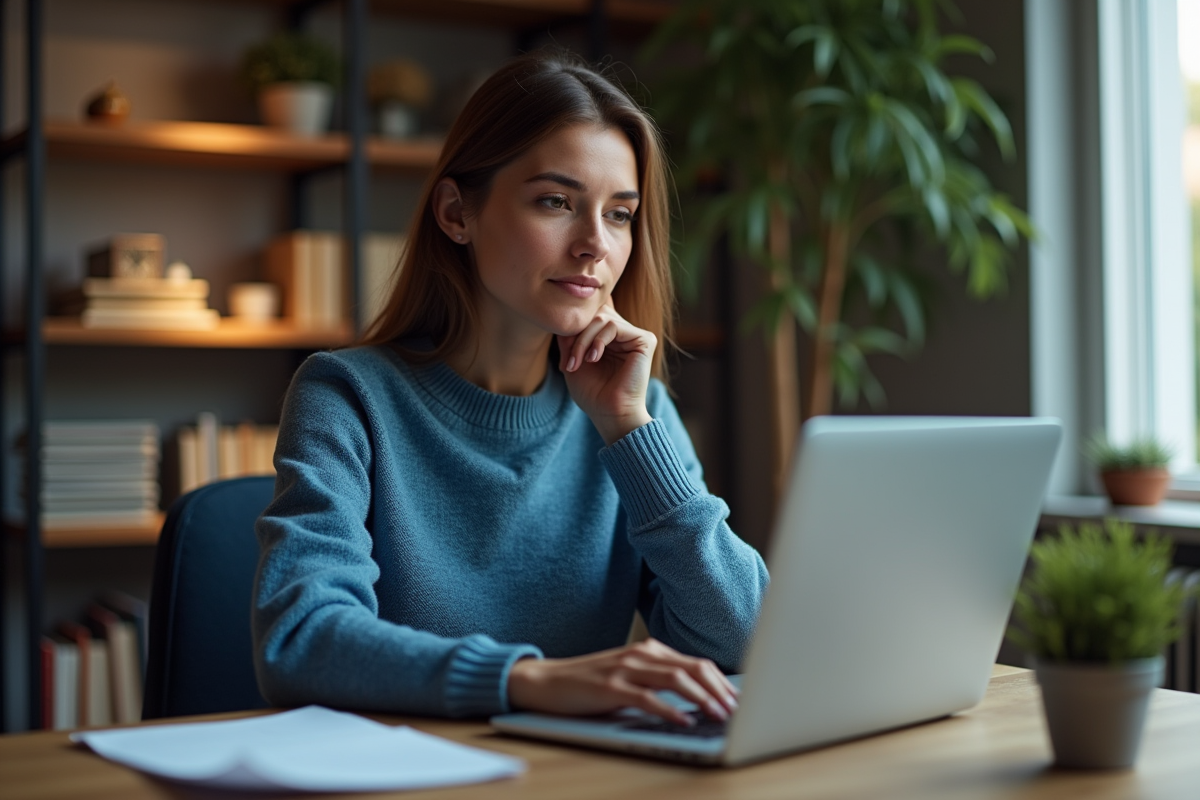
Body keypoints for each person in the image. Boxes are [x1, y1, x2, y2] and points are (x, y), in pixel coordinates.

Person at [252, 49, 768, 727]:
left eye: (619, 214)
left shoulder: (637, 411)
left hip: (576, 770)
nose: (595, 244)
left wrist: (628, 431)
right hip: (412, 766)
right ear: (455, 213)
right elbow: (300, 639)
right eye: (556, 202)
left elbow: (745, 639)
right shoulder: (347, 397)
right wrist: (526, 680)